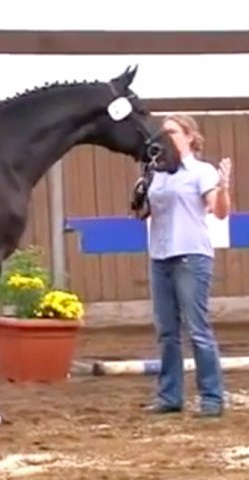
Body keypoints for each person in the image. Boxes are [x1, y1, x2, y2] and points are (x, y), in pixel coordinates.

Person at [144, 113, 232, 417]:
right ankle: (170, 396)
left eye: (172, 131)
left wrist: (223, 188)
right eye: (163, 132)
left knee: (197, 329)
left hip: (191, 255)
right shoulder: (155, 173)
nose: (165, 136)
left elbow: (218, 212)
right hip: (159, 256)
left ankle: (212, 397)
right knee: (166, 332)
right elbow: (144, 212)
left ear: (189, 137)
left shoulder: (201, 171)